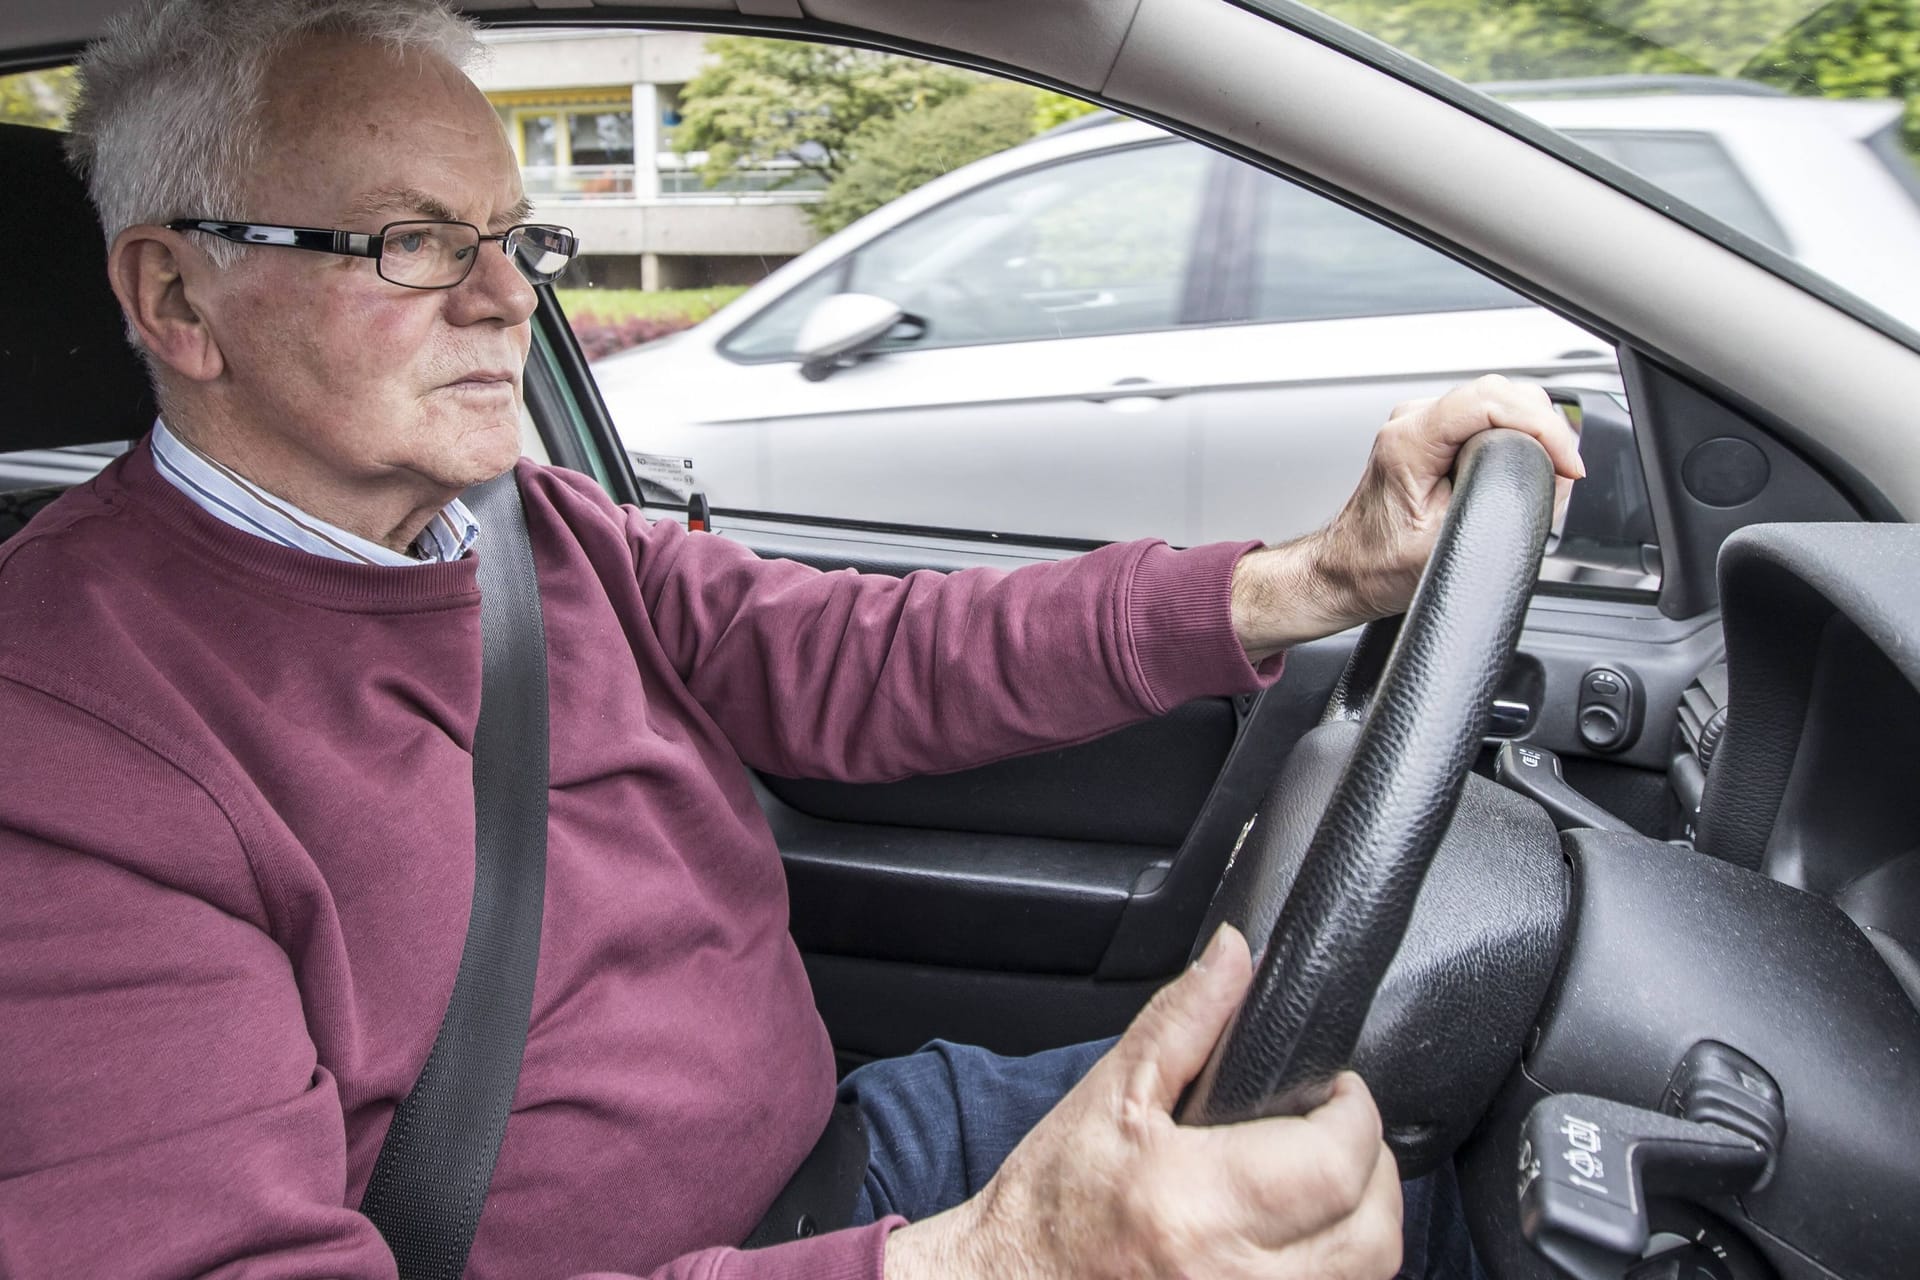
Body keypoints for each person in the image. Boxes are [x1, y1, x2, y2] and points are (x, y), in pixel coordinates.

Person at [0, 2, 1582, 1277]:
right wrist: (1007, 1259)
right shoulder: (58, 744)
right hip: (855, 1247)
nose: (509, 300)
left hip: (853, 1161)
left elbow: (856, 657)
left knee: (1426, 1147)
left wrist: (1315, 576)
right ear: (179, 299)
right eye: (412, 242)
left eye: (513, 237)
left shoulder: (521, 532)